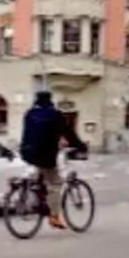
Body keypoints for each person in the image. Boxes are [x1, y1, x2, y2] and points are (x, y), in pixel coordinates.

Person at [20, 90, 88, 230]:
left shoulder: (29, 113)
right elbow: (69, 133)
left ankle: (37, 196)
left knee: (40, 174)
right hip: (46, 154)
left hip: (27, 152)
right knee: (55, 183)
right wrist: (80, 146)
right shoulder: (55, 114)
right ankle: (54, 216)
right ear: (50, 100)